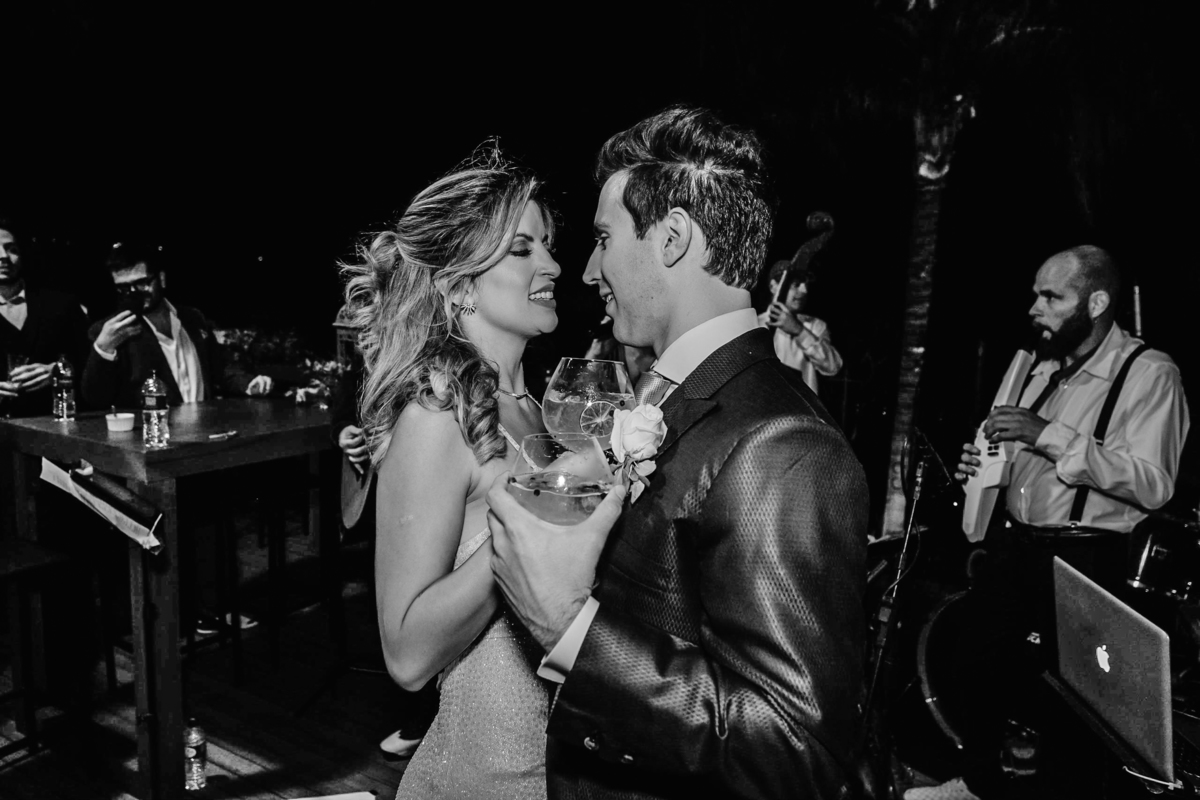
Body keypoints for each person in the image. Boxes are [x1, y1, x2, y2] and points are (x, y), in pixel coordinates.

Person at [486, 106, 869, 800]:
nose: (588, 270)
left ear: (671, 238)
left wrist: (569, 627)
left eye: (603, 239)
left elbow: (796, 752)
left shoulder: (783, 442)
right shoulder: (672, 394)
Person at [909, 246, 1190, 800]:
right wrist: (982, 466)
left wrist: (1047, 435)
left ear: (1097, 303)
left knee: (1075, 703)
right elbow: (1015, 456)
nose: (1034, 308)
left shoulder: (1149, 372)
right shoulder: (1038, 370)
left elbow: (1154, 482)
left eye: (1051, 297)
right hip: (1019, 547)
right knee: (974, 659)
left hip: (1090, 558)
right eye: (1036, 295)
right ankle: (982, 783)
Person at [342, 148, 561, 798]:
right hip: (483, 779)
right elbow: (407, 655)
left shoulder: (536, 408)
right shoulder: (437, 416)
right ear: (460, 286)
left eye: (548, 245)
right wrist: (531, 520)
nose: (552, 265)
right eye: (521, 249)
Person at [330, 355, 439, 761]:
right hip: (380, 497)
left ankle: (425, 719)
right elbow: (346, 404)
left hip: (426, 491)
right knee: (392, 605)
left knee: (426, 603)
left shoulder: (436, 353)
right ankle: (417, 714)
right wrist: (344, 432)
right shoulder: (372, 354)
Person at [81, 242, 273, 409]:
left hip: (205, 430)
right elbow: (96, 399)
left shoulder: (192, 319)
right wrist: (103, 348)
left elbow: (219, 368)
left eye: (142, 283)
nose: (134, 293)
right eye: (124, 288)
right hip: (151, 435)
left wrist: (248, 384)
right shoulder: (110, 330)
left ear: (162, 279)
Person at [0, 216, 90, 418]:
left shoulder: (60, 304)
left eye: (11, 249)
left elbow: (91, 362)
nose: (3, 256)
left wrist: (59, 371)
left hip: (55, 423)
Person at [758, 258, 842, 393]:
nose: (804, 290)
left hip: (801, 406)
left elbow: (832, 367)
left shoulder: (815, 325)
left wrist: (799, 331)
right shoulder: (755, 324)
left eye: (806, 285)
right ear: (774, 286)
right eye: (796, 284)